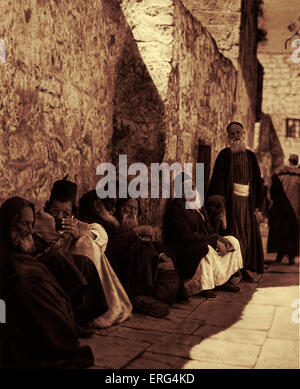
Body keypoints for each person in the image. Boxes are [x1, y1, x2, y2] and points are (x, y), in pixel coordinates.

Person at [0, 197, 95, 368]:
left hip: (30, 265)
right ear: (10, 223)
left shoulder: (26, 238)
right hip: (11, 290)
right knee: (32, 280)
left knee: (58, 263)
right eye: (24, 224)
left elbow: (32, 251)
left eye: (31, 224)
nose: (29, 229)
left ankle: (71, 319)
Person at [35, 179, 131, 328]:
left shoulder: (77, 224)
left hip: (76, 271)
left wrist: (81, 234)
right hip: (51, 271)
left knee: (85, 243)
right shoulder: (38, 219)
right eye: (55, 211)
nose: (60, 216)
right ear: (47, 207)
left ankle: (92, 307)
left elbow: (100, 234)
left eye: (65, 212)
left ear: (72, 213)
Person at [79, 190, 181, 318]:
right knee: (163, 283)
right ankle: (142, 299)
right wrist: (135, 232)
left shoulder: (113, 223)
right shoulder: (99, 226)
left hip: (148, 269)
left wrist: (161, 256)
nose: (132, 212)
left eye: (135, 209)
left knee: (170, 273)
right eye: (129, 208)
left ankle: (146, 298)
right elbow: (113, 248)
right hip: (128, 273)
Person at [163, 173, 243, 298]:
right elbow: (186, 237)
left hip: (203, 241)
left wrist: (218, 238)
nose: (193, 191)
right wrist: (213, 241)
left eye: (193, 187)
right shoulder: (177, 209)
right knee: (207, 249)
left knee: (233, 241)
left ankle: (222, 280)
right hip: (185, 249)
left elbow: (209, 230)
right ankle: (203, 285)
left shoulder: (197, 207)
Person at [207, 121, 265, 281]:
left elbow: (257, 182)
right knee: (234, 233)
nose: (235, 136)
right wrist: (220, 204)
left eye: (238, 133)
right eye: (232, 133)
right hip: (231, 204)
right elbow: (217, 180)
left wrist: (258, 205)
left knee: (247, 234)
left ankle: (245, 266)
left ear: (243, 134)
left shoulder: (251, 156)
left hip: (247, 204)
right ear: (228, 136)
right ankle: (235, 270)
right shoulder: (224, 155)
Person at [267, 154, 300, 265]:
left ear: (289, 160)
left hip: (281, 209)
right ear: (296, 161)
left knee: (280, 232)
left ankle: (279, 256)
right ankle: (291, 258)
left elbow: (272, 192)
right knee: (293, 233)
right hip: (295, 209)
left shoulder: (279, 173)